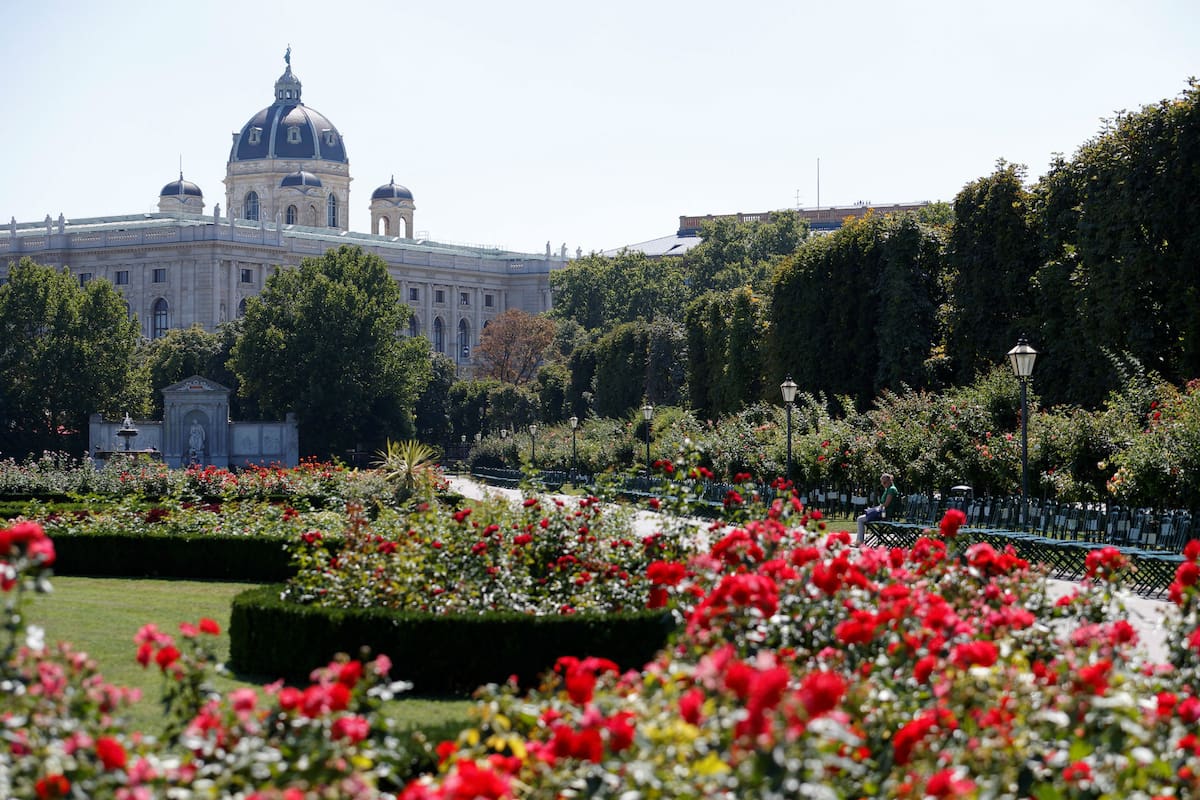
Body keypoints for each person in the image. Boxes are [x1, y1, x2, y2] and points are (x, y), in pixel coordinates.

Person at [855, 472, 899, 546]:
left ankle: (859, 542)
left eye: (884, 482)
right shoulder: (888, 489)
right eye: (882, 483)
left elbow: (886, 504)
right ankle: (859, 541)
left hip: (885, 514)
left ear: (889, 481)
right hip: (883, 512)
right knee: (864, 515)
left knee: (860, 519)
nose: (883, 484)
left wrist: (877, 508)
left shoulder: (891, 489)